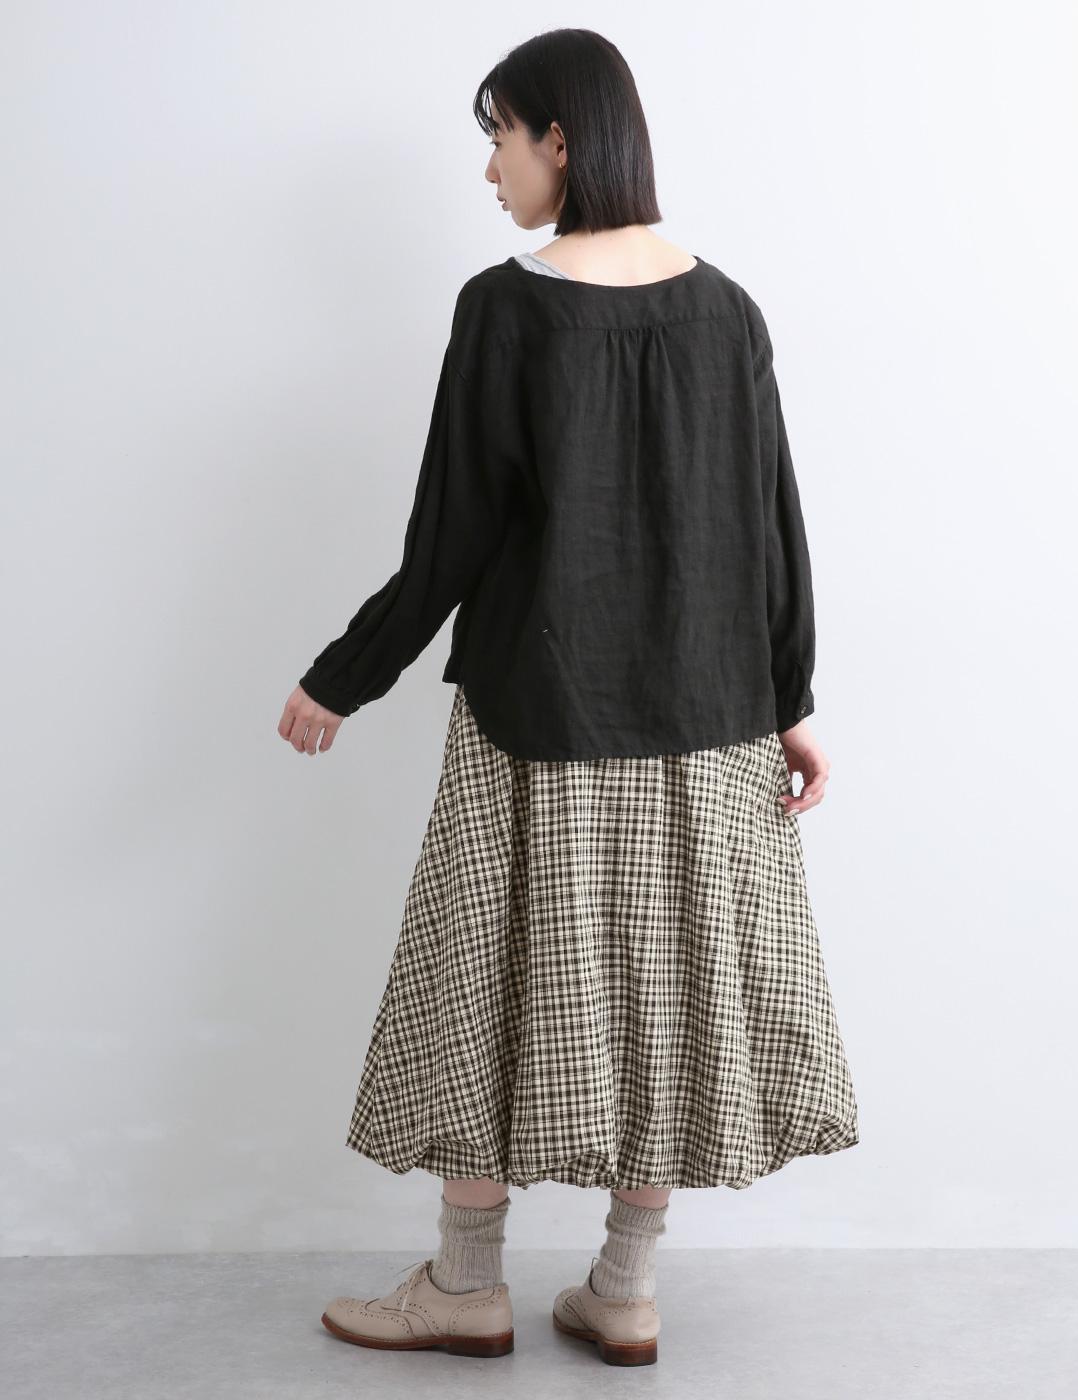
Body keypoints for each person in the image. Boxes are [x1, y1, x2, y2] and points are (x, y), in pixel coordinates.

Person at [277, 27, 859, 1369]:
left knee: (485, 986)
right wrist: (789, 699)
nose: (490, 170)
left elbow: (452, 536)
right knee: (669, 996)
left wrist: (341, 677)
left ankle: (466, 1286)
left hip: (536, 718)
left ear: (562, 138)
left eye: (499, 137)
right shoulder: (728, 309)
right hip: (709, 722)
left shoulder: (509, 308)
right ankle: (624, 1292)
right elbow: (773, 528)